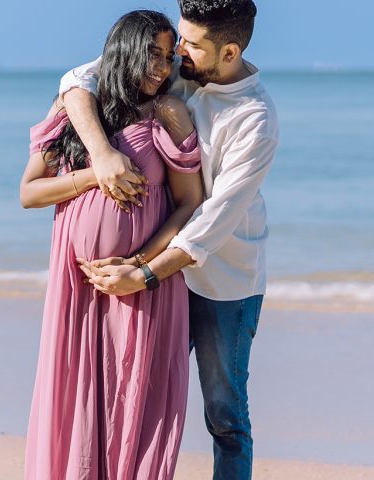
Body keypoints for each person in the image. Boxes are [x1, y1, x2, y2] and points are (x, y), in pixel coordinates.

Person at [66, 1, 279, 479]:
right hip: (160, 271)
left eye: (192, 44)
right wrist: (100, 155)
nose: (177, 51)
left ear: (228, 52)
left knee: (224, 416)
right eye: (180, 37)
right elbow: (77, 81)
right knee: (136, 396)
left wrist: (141, 273)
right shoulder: (179, 71)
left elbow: (212, 220)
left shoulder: (255, 119)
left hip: (224, 284)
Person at [19, 10, 205, 480]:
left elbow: (190, 203)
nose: (162, 68)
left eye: (168, 57)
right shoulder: (74, 112)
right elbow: (30, 192)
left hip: (141, 287)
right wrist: (95, 172)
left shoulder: (169, 112)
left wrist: (140, 264)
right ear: (121, 51)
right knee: (79, 397)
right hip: (77, 284)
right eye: (151, 55)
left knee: (136, 401)